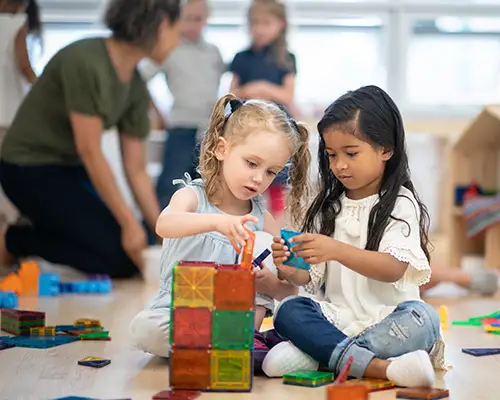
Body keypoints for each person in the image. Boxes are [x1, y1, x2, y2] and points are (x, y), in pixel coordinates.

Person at [265, 86, 447, 388]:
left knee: (424, 318)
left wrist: (336, 250)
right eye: (332, 155)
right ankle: (381, 368)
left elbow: (392, 269)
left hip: (390, 321)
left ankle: (325, 354)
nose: (339, 165)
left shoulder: (400, 202)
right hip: (339, 319)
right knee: (288, 310)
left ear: (386, 149)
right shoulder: (327, 208)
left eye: (351, 153)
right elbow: (306, 278)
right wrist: (286, 266)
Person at [129, 93, 312, 372]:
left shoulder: (261, 219)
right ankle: (237, 348)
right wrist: (217, 223)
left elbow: (292, 287)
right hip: (178, 314)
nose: (258, 179)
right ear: (221, 148)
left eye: (271, 172)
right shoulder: (192, 197)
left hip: (235, 322)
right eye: (252, 163)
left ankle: (229, 346)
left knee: (287, 301)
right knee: (143, 329)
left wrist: (271, 283)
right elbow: (163, 225)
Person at [0, 0, 182, 277]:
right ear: (161, 25)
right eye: (177, 32)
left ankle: (48, 224)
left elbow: (136, 170)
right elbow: (90, 150)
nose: (177, 42)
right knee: (117, 259)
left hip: (69, 169)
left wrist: (162, 235)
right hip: (27, 167)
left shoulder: (135, 85)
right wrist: (127, 224)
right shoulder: (85, 60)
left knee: (139, 243)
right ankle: (14, 239)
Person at [140, 0, 226, 210]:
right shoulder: (169, 48)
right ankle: (158, 233)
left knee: (207, 185)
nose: (193, 25)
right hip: (180, 127)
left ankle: (202, 233)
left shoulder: (213, 52)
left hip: (209, 130)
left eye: (199, 19)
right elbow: (139, 78)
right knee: (170, 182)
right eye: (187, 19)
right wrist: (156, 112)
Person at [229, 0, 297, 224]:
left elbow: (287, 95)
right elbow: (231, 94)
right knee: (250, 174)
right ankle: (246, 222)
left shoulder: (286, 58)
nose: (259, 28)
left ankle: (275, 227)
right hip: (250, 129)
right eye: (255, 23)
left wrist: (263, 89)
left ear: (281, 25)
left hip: (276, 129)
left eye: (266, 23)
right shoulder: (242, 58)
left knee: (276, 180)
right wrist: (247, 90)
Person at [0, 0, 41, 222]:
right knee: (11, 183)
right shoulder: (16, 23)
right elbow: (24, 66)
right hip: (8, 117)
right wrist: (45, 87)